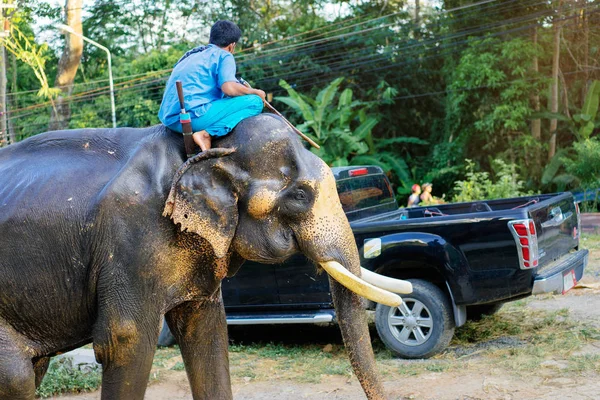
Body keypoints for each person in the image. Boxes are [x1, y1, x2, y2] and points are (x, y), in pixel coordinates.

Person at [158, 20, 266, 152]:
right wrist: (254, 91)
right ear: (232, 46)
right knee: (255, 102)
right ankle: (207, 134)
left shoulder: (191, 55)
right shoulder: (225, 55)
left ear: (211, 39)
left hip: (169, 119)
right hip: (190, 119)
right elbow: (228, 87)